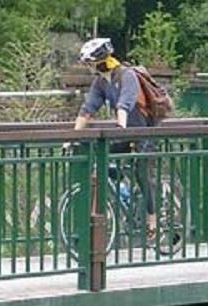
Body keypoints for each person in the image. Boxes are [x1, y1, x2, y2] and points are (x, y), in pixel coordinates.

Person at [70, 38, 165, 249]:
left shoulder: (126, 75)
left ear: (101, 60)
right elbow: (88, 109)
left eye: (90, 62)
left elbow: (125, 103)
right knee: (100, 159)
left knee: (142, 173)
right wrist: (73, 137)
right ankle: (120, 196)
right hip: (124, 133)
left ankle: (152, 219)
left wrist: (121, 127)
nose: (88, 67)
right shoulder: (101, 81)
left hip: (142, 131)